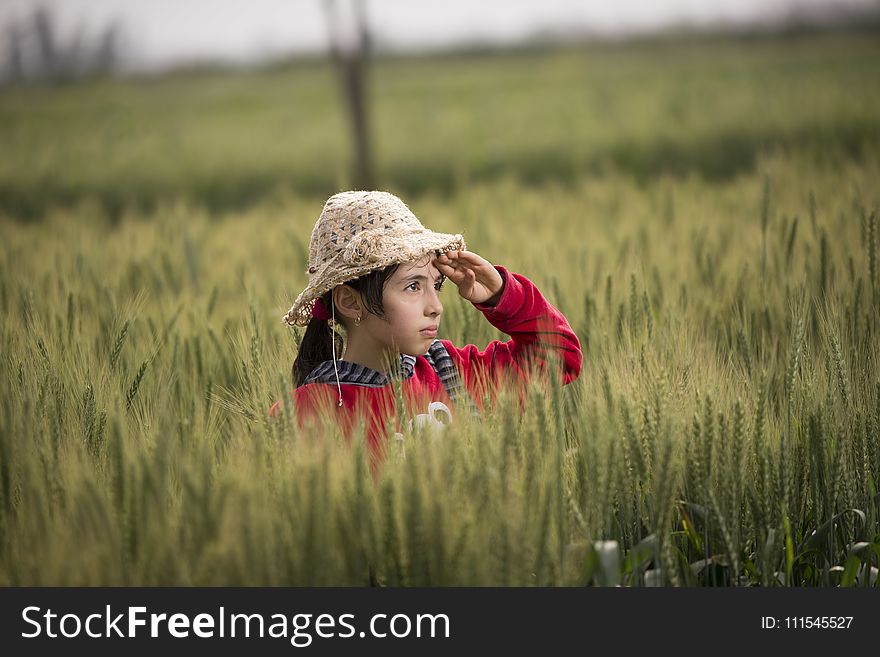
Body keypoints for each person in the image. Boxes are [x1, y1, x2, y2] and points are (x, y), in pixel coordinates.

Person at [269, 190, 582, 470]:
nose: (436, 306)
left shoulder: (455, 374)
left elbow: (561, 358)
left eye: (436, 285)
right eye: (413, 286)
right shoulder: (295, 417)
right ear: (350, 302)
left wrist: (501, 294)